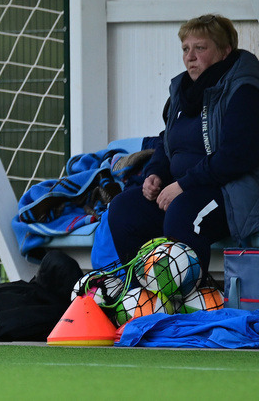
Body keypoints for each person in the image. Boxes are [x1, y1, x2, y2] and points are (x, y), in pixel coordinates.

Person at [106, 14, 259, 274]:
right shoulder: (182, 91)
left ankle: (191, 301)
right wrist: (154, 174)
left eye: (200, 48)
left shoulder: (243, 90)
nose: (190, 56)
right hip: (183, 189)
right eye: (186, 49)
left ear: (225, 51)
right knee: (124, 209)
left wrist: (182, 185)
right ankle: (145, 294)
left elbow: (236, 156)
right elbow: (168, 143)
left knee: (182, 214)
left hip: (231, 193)